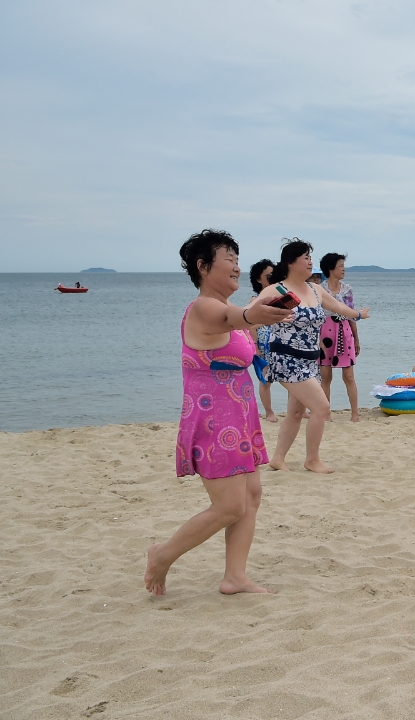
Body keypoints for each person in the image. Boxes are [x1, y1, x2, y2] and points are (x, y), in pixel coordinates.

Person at [145, 229, 294, 597]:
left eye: (238, 260)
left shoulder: (226, 309)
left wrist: (265, 314)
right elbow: (233, 316)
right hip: (214, 423)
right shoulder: (203, 307)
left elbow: (241, 319)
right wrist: (253, 314)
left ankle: (235, 577)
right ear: (203, 266)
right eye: (229, 259)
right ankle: (162, 555)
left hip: (238, 419)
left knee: (251, 496)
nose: (237, 267)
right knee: (229, 506)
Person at [253, 239, 370, 474]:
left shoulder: (316, 290)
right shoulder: (276, 290)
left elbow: (339, 308)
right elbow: (249, 316)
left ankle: (278, 458)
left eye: (310, 257)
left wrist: (358, 314)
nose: (310, 262)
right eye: (305, 257)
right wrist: (270, 318)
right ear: (290, 262)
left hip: (310, 360)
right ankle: (312, 460)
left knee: (296, 413)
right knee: (321, 407)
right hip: (287, 359)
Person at [317, 253, 361, 423]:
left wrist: (356, 338)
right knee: (325, 376)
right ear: (330, 268)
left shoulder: (347, 289)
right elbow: (316, 317)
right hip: (325, 333)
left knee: (349, 376)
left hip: (344, 331)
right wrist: (317, 339)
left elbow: (351, 315)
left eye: (343, 266)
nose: (343, 269)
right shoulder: (319, 290)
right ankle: (326, 413)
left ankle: (355, 413)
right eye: (340, 266)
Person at [247, 258, 279, 423]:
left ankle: (298, 410)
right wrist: (255, 347)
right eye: (268, 276)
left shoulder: (280, 296)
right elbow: (249, 324)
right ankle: (269, 412)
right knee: (266, 378)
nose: (272, 278)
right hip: (265, 343)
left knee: (292, 376)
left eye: (274, 274)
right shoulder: (256, 300)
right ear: (259, 279)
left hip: (281, 340)